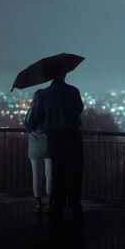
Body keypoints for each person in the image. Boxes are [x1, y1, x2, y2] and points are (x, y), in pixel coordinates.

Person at [24, 73, 84, 222]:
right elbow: (79, 109)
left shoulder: (45, 95)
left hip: (54, 138)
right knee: (74, 172)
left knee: (57, 173)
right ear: (64, 75)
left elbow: (32, 121)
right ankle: (75, 205)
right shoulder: (73, 91)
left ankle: (58, 205)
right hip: (72, 136)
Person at [25, 89, 53, 212]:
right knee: (49, 175)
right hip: (48, 145)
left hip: (34, 146)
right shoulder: (47, 111)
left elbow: (27, 125)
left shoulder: (30, 111)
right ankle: (50, 201)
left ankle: (38, 202)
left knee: (36, 175)